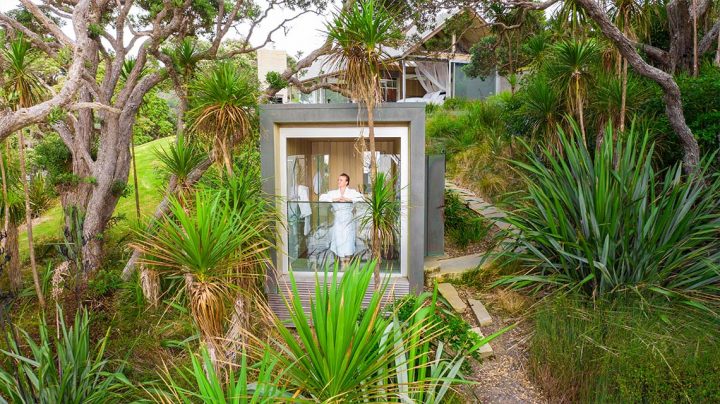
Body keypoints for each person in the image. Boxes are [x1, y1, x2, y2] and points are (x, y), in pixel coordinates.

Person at [319, 173, 363, 267]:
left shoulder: (352, 192)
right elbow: (321, 197)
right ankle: (340, 263)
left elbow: (362, 198)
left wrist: (348, 199)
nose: (339, 181)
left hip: (348, 219)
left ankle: (347, 264)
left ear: (346, 182)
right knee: (338, 240)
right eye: (338, 180)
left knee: (348, 240)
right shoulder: (333, 193)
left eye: (341, 180)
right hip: (338, 218)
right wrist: (334, 199)